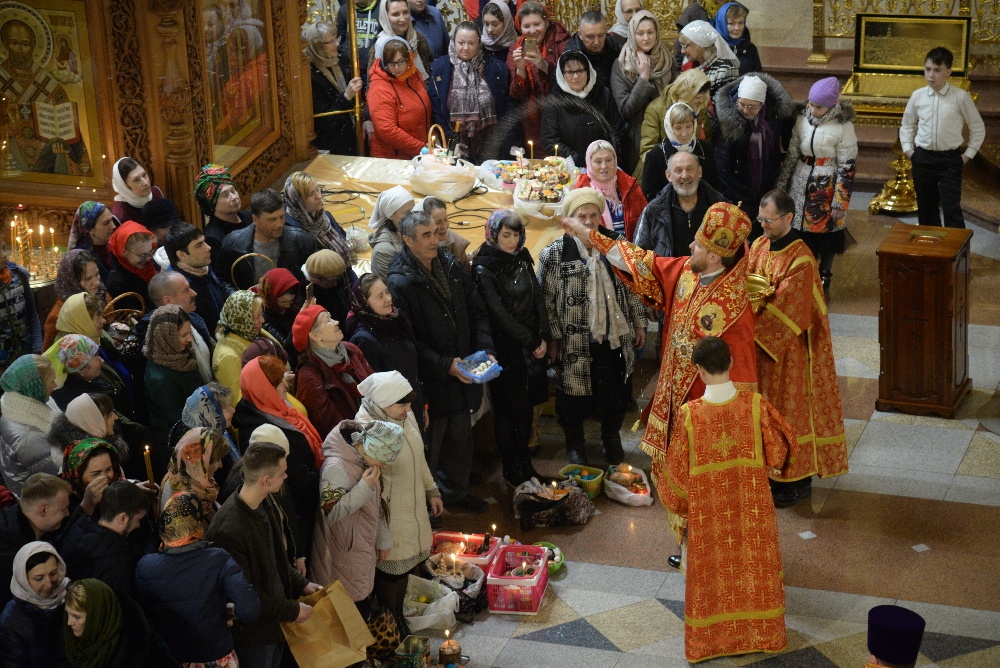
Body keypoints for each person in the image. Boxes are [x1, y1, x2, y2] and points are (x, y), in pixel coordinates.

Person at [559, 201, 758, 496]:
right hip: (673, 389)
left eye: (698, 245)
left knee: (702, 476)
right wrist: (591, 236)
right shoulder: (687, 271)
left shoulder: (734, 306)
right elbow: (641, 262)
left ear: (715, 256)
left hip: (702, 403)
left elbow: (740, 375)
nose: (690, 246)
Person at [661, 336, 794, 662]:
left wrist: (683, 506)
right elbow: (780, 454)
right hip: (753, 513)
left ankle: (709, 644)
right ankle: (763, 635)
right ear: (732, 363)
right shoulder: (756, 405)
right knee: (753, 570)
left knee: (714, 576)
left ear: (699, 370)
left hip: (710, 519)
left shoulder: (690, 416)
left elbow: (675, 483)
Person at [386, 212, 496, 511]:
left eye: (436, 232)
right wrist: (444, 363)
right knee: (431, 445)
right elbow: (407, 340)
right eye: (426, 235)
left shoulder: (450, 265)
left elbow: (477, 310)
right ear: (407, 240)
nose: (435, 239)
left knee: (460, 437)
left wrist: (485, 348)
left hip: (462, 370)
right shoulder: (400, 282)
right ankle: (428, 505)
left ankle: (455, 494)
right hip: (431, 380)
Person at [747, 190, 847, 506]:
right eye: (760, 219)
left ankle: (794, 481)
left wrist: (750, 328)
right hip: (758, 347)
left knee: (788, 413)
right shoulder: (759, 245)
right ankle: (768, 473)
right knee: (762, 411)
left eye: (769, 220)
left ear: (788, 218)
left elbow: (791, 309)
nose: (763, 225)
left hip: (787, 352)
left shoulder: (801, 258)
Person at [538, 189, 646, 465]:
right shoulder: (554, 253)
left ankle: (611, 438)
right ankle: (575, 443)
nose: (588, 221)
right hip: (573, 342)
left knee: (615, 393)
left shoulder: (617, 246)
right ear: (570, 219)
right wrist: (553, 338)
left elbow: (633, 288)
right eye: (581, 216)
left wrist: (639, 323)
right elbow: (546, 301)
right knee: (572, 398)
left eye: (593, 215)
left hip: (614, 338)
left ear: (601, 216)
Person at [204, 441, 321, 667]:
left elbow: (276, 558)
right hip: (254, 635)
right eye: (283, 472)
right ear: (266, 480)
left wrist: (302, 584)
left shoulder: (265, 501)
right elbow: (246, 594)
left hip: (275, 622)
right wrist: (292, 610)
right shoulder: (228, 529)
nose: (286, 476)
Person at [355, 371, 442, 630]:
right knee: (391, 571)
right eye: (402, 404)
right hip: (390, 513)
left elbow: (419, 458)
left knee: (406, 567)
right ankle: (391, 626)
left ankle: (399, 618)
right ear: (383, 403)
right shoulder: (365, 427)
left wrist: (431, 490)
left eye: (409, 404)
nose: (409, 409)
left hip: (412, 505)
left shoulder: (404, 416)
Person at [136, 491, 260, 666]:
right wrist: (229, 612)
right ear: (198, 524)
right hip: (217, 655)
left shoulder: (145, 566)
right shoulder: (218, 558)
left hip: (171, 658)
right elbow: (250, 609)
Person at [472, 211, 550, 485]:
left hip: (530, 345)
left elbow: (537, 297)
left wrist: (543, 335)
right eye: (506, 235)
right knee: (508, 411)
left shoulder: (521, 257)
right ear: (493, 235)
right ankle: (511, 467)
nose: (512, 241)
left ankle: (526, 465)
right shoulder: (483, 266)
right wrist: (532, 341)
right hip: (506, 347)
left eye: (516, 235)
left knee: (527, 407)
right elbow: (498, 314)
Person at [234, 356, 324, 559]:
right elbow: (294, 481)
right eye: (278, 381)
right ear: (264, 389)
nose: (286, 384)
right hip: (299, 514)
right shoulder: (260, 431)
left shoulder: (278, 409)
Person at [311, 420, 400, 613]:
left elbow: (376, 503)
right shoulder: (335, 467)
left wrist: (383, 538)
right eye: (384, 460)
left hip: (360, 550)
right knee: (344, 615)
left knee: (360, 607)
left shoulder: (365, 462)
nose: (385, 466)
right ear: (372, 449)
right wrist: (364, 488)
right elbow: (331, 512)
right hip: (341, 555)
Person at [778, 77, 858, 294]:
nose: (812, 109)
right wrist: (781, 186)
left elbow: (847, 166)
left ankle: (825, 272)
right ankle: (802, 270)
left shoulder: (843, 127)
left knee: (826, 231)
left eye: (818, 107)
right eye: (810, 104)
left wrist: (840, 201)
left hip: (826, 184)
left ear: (832, 105)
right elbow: (792, 154)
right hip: (801, 178)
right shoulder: (802, 120)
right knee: (799, 228)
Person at [900, 46, 984, 228]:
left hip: (949, 159)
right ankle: (930, 244)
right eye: (927, 69)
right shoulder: (917, 96)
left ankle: (956, 245)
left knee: (951, 208)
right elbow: (907, 124)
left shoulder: (960, 97)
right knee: (926, 207)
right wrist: (909, 150)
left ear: (948, 72)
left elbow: (978, 128)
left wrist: (967, 155)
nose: (931, 75)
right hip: (923, 158)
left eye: (937, 70)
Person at [714, 73, 795, 235]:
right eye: (742, 104)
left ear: (762, 104)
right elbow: (721, 161)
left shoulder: (774, 115)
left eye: (752, 106)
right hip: (735, 185)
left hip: (766, 181)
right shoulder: (729, 119)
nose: (745, 110)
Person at [344, 273, 424, 429]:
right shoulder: (363, 339)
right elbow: (374, 390)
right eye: (380, 296)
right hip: (393, 418)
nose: (388, 299)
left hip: (412, 404)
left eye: (387, 292)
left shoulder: (396, 320)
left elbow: (412, 366)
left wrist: (423, 403)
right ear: (364, 302)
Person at [427, 21, 505, 164]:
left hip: (490, 146)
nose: (466, 48)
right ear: (453, 42)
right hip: (452, 147)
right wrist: (451, 142)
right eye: (461, 43)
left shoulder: (496, 68)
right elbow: (437, 110)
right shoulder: (439, 68)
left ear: (479, 43)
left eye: (471, 43)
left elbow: (504, 107)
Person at [293, 305, 374, 439]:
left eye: (331, 318)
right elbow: (329, 425)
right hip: (353, 441)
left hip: (374, 427)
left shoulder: (351, 350)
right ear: (315, 336)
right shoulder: (309, 375)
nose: (336, 322)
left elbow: (375, 385)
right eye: (328, 320)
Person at [59, 480, 148, 599]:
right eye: (138, 519)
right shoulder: (119, 561)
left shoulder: (77, 529)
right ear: (122, 518)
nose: (139, 525)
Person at [611, 10, 675, 173]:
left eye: (650, 32)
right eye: (640, 33)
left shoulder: (667, 60)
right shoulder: (621, 65)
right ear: (632, 34)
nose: (646, 38)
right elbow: (626, 110)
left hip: (667, 133)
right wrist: (643, 78)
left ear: (657, 33)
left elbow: (675, 99)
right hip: (637, 140)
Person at [144, 305, 204, 475]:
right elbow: (179, 418)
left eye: (189, 333)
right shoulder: (159, 378)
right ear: (167, 338)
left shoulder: (179, 355)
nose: (189, 339)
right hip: (179, 446)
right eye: (183, 335)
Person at [0, 474, 74, 610]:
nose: (67, 513)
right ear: (43, 510)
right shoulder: (8, 553)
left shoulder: (30, 526)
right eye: (63, 509)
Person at [219, 189, 318, 291]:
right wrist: (241, 298)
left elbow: (316, 278)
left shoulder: (303, 240)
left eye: (282, 217)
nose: (279, 224)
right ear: (255, 219)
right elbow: (222, 281)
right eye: (272, 220)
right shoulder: (233, 244)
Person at [542, 50, 627, 167]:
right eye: (569, 72)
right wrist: (580, 160)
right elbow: (550, 141)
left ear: (588, 71)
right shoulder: (554, 101)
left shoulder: (603, 94)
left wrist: (600, 157)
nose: (576, 76)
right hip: (569, 167)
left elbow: (618, 131)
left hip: (603, 165)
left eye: (580, 71)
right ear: (562, 75)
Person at [635, 151, 728, 258]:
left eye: (690, 169)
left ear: (699, 172)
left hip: (708, 268)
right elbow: (638, 255)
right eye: (678, 170)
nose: (685, 175)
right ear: (669, 176)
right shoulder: (653, 211)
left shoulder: (722, 209)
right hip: (668, 269)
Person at [506, 2, 570, 147]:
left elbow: (569, 80)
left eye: (537, 24)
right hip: (531, 120)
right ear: (520, 27)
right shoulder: (516, 49)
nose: (532, 30)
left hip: (560, 113)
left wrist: (543, 65)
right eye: (526, 26)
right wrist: (520, 70)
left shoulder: (561, 42)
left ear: (546, 22)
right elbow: (515, 94)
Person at [0, 542, 69, 667]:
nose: (49, 584)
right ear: (23, 579)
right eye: (39, 578)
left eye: (53, 573)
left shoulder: (70, 594)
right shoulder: (12, 620)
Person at [638, 68, 714, 182]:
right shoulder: (656, 109)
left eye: (704, 97)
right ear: (686, 94)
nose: (701, 101)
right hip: (662, 174)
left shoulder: (698, 107)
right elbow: (647, 150)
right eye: (697, 97)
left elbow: (706, 136)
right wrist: (673, 170)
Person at [0, 355, 59, 496]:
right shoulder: (30, 436)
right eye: (51, 381)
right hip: (43, 498)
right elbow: (56, 479)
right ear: (36, 387)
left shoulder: (12, 404)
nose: (56, 385)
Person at [63, 578, 156, 667]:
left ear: (97, 617)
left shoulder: (131, 653)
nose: (69, 623)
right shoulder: (63, 643)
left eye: (77, 617)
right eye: (68, 614)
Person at [367, 35, 433, 159]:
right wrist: (421, 148)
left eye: (401, 61)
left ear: (408, 59)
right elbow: (387, 130)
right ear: (383, 62)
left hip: (419, 152)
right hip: (393, 158)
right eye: (391, 63)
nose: (397, 68)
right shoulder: (379, 88)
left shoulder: (413, 75)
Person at [304, 22, 363, 155]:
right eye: (330, 42)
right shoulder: (309, 74)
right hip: (332, 143)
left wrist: (367, 119)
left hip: (352, 133)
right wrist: (346, 96)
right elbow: (326, 120)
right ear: (318, 46)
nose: (337, 44)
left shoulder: (341, 58)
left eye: (336, 38)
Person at [164, 222, 233, 333]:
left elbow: (219, 287)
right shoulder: (178, 289)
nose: (208, 247)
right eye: (199, 245)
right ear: (182, 255)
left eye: (204, 242)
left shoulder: (201, 267)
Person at [283, 172, 358, 274]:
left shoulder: (325, 216)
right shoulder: (295, 234)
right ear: (298, 201)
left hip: (343, 274)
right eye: (311, 194)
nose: (319, 196)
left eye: (318, 190)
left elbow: (344, 240)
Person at [642, 101, 718, 200]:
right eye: (678, 128)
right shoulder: (655, 156)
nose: (684, 133)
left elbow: (714, 187)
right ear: (669, 128)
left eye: (688, 126)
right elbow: (651, 197)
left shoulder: (706, 148)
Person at [573, 139, 647, 240]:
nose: (604, 166)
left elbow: (646, 222)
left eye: (608, 160)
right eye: (598, 162)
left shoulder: (631, 187)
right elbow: (574, 232)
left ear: (615, 161)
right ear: (589, 164)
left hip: (632, 247)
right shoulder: (580, 192)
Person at [213, 290, 277, 404]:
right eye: (257, 316)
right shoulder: (228, 358)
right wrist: (276, 381)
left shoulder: (248, 333)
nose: (262, 320)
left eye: (261, 314)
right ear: (242, 319)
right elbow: (238, 402)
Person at [158, 427, 227, 522]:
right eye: (217, 460)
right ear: (200, 463)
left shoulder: (182, 479)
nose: (220, 465)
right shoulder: (182, 507)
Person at [42, 250, 104, 350]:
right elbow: (50, 356)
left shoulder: (101, 295)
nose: (97, 282)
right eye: (88, 279)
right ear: (72, 281)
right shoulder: (60, 317)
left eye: (97, 274)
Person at [194, 164, 253, 268]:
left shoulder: (250, 217)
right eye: (225, 195)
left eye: (233, 191)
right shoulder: (212, 238)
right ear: (212, 203)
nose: (234, 197)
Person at [0, 239, 42, 374]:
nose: (4, 254)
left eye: (4, 248)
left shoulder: (18, 275)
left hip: (27, 357)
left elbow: (32, 314)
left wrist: (37, 349)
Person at [369, 0, 434, 80]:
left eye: (405, 12)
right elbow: (374, 81)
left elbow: (430, 71)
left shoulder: (418, 38)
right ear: (385, 16)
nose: (402, 19)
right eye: (396, 14)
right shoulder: (381, 44)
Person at [60, 438, 123, 517]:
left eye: (108, 469)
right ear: (77, 475)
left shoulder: (116, 488)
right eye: (96, 474)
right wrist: (87, 504)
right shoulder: (63, 502)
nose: (104, 478)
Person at [105, 221, 158, 313]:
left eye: (150, 252)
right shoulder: (117, 284)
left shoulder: (149, 264)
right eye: (142, 255)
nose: (148, 258)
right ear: (124, 252)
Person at [677, 20, 739, 98]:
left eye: (685, 46)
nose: (682, 51)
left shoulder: (725, 69)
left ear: (700, 45)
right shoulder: (688, 63)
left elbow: (723, 103)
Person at [367, 185, 416, 278]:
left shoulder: (410, 230)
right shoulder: (383, 250)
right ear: (391, 215)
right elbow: (392, 283)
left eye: (414, 210)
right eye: (407, 212)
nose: (413, 216)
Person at [566, 10, 621, 90]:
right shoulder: (571, 56)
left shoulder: (613, 47)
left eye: (601, 35)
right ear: (580, 34)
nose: (596, 42)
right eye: (590, 37)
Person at [337, 0, 383, 89]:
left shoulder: (382, 7)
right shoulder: (345, 9)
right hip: (350, 69)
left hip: (375, 68)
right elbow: (340, 39)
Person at [67, 202, 118, 282]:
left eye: (112, 220)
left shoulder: (115, 245)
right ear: (90, 229)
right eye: (106, 223)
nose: (113, 226)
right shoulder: (81, 258)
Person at [252, 268, 301, 346]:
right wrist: (300, 321)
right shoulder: (262, 314)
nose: (288, 305)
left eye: (291, 300)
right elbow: (284, 346)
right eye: (283, 302)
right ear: (272, 296)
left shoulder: (294, 306)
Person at [109, 157, 165, 226]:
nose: (146, 183)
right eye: (136, 180)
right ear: (125, 186)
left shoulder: (156, 192)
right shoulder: (119, 215)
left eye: (144, 175)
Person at [480, 0, 517, 104]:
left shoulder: (516, 47)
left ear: (506, 23)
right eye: (486, 24)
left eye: (495, 24)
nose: (489, 30)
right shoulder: (479, 46)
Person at [424, 197, 471, 269]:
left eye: (445, 220)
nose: (444, 226)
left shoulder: (457, 244)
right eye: (438, 222)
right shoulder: (419, 253)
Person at [715, 2, 760, 74]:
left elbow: (759, 76)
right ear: (721, 24)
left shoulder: (750, 48)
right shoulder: (712, 49)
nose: (737, 28)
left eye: (741, 23)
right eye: (731, 23)